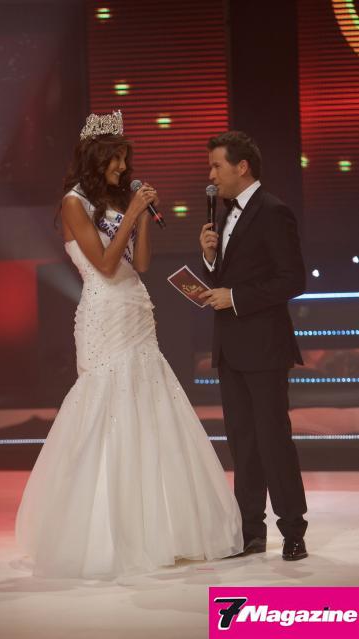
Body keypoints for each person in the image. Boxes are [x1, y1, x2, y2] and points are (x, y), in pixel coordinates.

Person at [15, 111, 243, 580]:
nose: (123, 168)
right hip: (104, 316)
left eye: (124, 160)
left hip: (136, 311)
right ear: (96, 159)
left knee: (149, 400)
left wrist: (141, 219)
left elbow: (138, 264)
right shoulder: (74, 203)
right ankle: (104, 532)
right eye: (117, 160)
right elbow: (102, 264)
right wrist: (134, 213)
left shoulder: (115, 203)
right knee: (106, 403)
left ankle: (164, 528)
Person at [199, 131, 308, 561]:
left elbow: (292, 279)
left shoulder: (273, 211)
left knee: (273, 440)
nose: (211, 176)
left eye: (216, 166)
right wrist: (210, 260)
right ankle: (250, 533)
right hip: (230, 347)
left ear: (241, 166)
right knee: (242, 443)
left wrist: (236, 298)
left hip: (264, 346)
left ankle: (293, 530)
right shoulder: (224, 214)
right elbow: (228, 277)